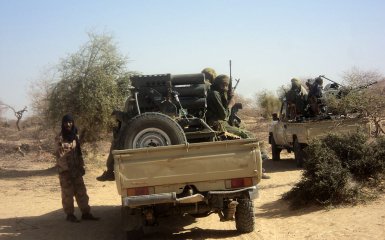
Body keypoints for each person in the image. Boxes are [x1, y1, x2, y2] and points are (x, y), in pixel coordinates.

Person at [206, 75, 270, 178]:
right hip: (219, 125)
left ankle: (259, 166)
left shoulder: (217, 93)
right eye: (224, 85)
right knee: (249, 136)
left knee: (243, 129)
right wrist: (231, 103)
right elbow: (223, 115)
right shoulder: (214, 94)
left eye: (227, 85)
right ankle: (261, 159)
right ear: (219, 85)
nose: (226, 88)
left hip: (221, 123)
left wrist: (228, 97)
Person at [56, 114, 99, 222]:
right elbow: (60, 156)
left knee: (81, 192)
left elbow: (79, 153)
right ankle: (70, 215)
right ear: (63, 124)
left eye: (70, 122)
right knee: (68, 194)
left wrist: (81, 166)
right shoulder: (60, 138)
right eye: (66, 122)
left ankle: (86, 213)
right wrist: (66, 171)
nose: (68, 124)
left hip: (76, 170)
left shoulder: (75, 136)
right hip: (66, 172)